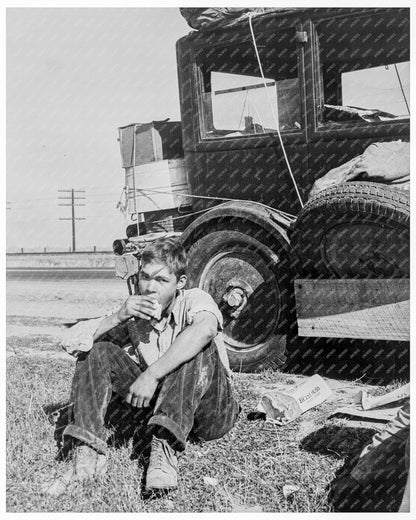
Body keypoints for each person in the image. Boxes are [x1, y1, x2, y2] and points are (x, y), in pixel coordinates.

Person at [42, 237, 240, 496]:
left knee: (195, 344)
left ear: (179, 283)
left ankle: (164, 448)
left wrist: (152, 374)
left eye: (161, 281)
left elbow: (205, 329)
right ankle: (87, 452)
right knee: (97, 349)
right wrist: (118, 317)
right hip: (166, 402)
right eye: (145, 278)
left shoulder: (193, 299)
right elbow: (71, 343)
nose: (149, 288)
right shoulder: (135, 310)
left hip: (211, 411)